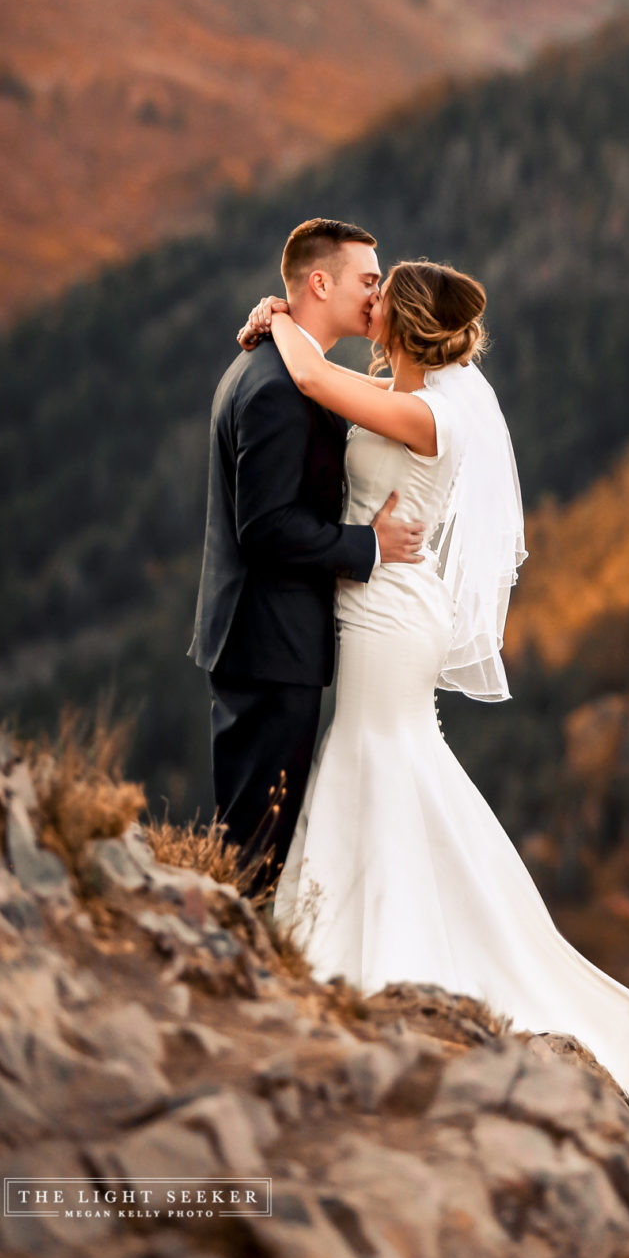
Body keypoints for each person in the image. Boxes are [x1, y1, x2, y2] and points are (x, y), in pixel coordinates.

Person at [234, 259, 629, 1194]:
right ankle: (378, 952)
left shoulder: (433, 412)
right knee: (391, 767)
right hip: (384, 601)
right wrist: (286, 323)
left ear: (404, 327)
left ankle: (371, 964)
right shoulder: (413, 391)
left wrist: (278, 317)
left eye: (380, 301)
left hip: (390, 613)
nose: (369, 308)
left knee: (378, 760)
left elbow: (315, 380)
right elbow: (331, 381)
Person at [187, 218, 426, 895]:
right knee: (255, 847)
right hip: (270, 644)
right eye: (369, 280)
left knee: (255, 836)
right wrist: (370, 546)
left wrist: (281, 319)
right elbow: (266, 528)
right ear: (320, 282)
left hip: (268, 642)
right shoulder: (275, 390)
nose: (378, 296)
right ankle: (232, 975)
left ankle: (238, 962)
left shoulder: (284, 369)